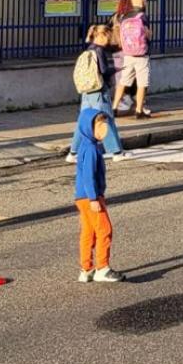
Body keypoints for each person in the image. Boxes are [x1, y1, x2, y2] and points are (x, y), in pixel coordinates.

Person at [66, 25, 130, 164]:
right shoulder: (99, 51)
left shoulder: (89, 49)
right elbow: (104, 70)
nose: (109, 40)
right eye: (109, 37)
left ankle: (72, 153)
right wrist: (116, 69)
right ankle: (117, 152)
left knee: (83, 122)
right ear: (102, 35)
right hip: (99, 92)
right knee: (106, 120)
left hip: (87, 92)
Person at [73, 108, 124, 282]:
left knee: (89, 232)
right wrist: (94, 198)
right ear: (89, 127)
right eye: (100, 125)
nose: (104, 129)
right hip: (90, 197)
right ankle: (102, 267)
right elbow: (88, 176)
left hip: (82, 197)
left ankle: (86, 269)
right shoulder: (91, 150)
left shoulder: (88, 146)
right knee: (104, 230)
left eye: (105, 124)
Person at [112, 0, 154, 119]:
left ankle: (114, 107)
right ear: (142, 3)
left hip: (128, 54)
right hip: (141, 55)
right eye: (145, 2)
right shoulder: (142, 16)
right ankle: (139, 110)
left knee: (123, 81)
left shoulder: (125, 16)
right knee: (142, 83)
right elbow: (147, 34)